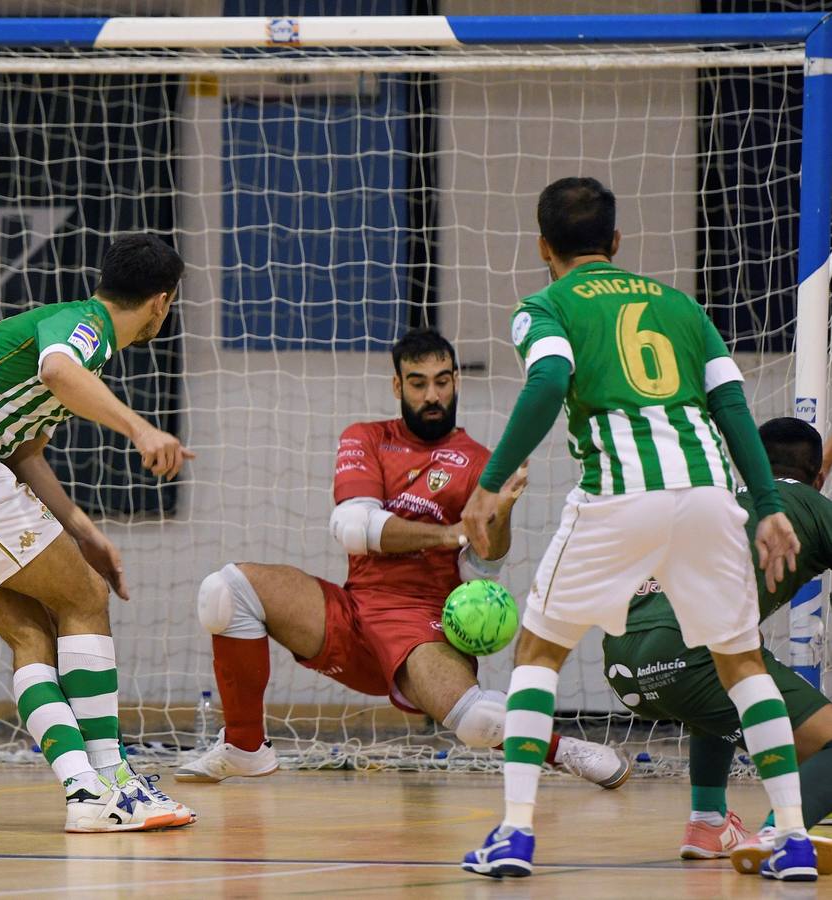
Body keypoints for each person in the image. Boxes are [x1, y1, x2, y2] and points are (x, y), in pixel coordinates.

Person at [459, 176, 816, 882]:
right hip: (712, 495)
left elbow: (548, 382)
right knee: (741, 663)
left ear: (543, 248)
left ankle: (516, 832)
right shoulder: (680, 306)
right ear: (616, 243)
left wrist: (492, 481)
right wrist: (769, 501)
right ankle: (796, 839)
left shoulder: (545, 304)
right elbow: (732, 403)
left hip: (620, 495)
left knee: (537, 653)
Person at [175, 328, 631, 789]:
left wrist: (499, 516)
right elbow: (354, 530)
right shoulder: (367, 438)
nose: (432, 395)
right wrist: (452, 532)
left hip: (422, 625)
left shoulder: (480, 462)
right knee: (225, 591)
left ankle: (566, 750)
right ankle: (245, 747)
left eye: (442, 381)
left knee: (477, 721)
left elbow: (481, 568)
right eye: (417, 383)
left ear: (456, 381)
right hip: (351, 612)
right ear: (398, 386)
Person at [0, 233, 195, 832]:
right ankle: (119, 781)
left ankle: (84, 797)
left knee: (33, 631)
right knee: (85, 598)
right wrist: (141, 429)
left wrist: (83, 532)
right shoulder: (85, 325)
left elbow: (24, 452)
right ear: (162, 301)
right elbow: (58, 369)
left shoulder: (67, 329)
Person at [603, 417, 832, 874]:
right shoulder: (809, 505)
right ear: (819, 478)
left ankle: (708, 821)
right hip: (690, 657)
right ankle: (780, 834)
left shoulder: (721, 503)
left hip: (622, 662)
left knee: (740, 658)